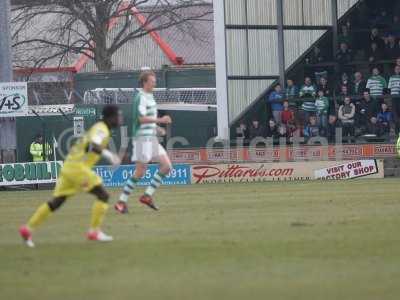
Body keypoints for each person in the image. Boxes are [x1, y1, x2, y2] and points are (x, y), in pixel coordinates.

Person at [19, 105, 123, 247]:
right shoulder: (101, 128)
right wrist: (110, 155)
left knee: (57, 201)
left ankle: (27, 229)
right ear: (111, 117)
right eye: (118, 116)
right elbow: (92, 145)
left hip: (69, 166)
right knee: (103, 195)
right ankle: (94, 231)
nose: (120, 119)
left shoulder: (101, 128)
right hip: (78, 168)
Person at [115, 71, 172, 214]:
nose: (155, 83)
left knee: (166, 166)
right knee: (140, 172)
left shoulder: (150, 96)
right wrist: (161, 121)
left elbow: (147, 119)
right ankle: (121, 202)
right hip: (141, 139)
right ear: (145, 82)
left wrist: (157, 128)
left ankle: (147, 196)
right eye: (152, 81)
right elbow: (140, 119)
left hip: (151, 138)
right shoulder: (140, 97)